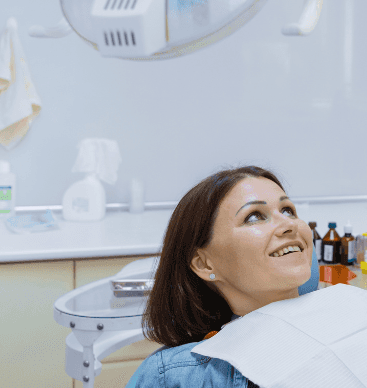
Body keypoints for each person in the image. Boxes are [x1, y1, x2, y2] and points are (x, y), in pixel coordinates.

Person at [132, 166, 318, 388]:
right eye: (254, 217)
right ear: (204, 263)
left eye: (288, 210)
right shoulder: (172, 377)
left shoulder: (359, 318)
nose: (289, 224)